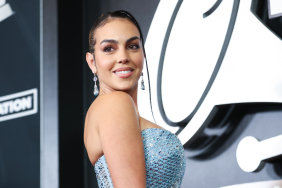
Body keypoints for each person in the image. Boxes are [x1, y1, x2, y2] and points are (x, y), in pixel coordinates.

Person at [84, 10, 186, 188]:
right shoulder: (114, 103)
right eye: (109, 49)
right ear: (92, 62)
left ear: (143, 54)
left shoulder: (108, 109)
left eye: (132, 46)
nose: (123, 57)